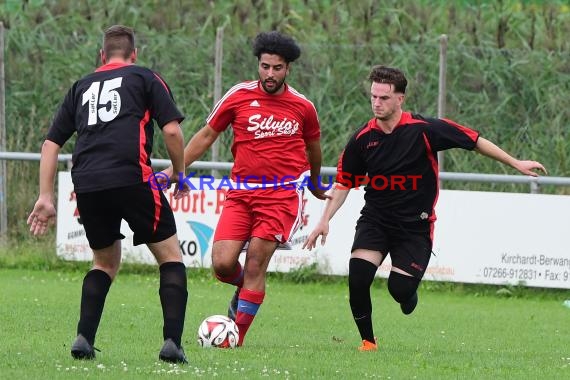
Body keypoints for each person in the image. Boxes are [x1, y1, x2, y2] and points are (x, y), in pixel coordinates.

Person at [303, 65, 547, 351]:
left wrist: (516, 163)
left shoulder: (424, 130)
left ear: (400, 99)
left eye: (383, 97)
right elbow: (343, 184)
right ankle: (368, 342)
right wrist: (324, 220)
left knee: (400, 290)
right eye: (373, 97)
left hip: (414, 226)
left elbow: (474, 141)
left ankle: (408, 294)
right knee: (358, 277)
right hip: (376, 220)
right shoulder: (362, 140)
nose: (376, 103)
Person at [27, 25, 190, 363]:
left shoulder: (80, 86)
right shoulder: (145, 77)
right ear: (134, 54)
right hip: (132, 176)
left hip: (88, 183)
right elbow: (172, 130)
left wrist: (45, 196)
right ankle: (172, 343)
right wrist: (180, 171)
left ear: (102, 56)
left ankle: (84, 339)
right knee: (171, 258)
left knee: (104, 262)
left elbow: (50, 144)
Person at [163, 31, 327, 347]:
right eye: (265, 66)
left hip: (281, 195)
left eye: (277, 68)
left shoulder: (302, 106)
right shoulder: (238, 96)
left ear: (287, 69)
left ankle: (235, 339)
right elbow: (207, 135)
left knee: (254, 263)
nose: (269, 74)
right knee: (223, 264)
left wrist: (317, 181)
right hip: (241, 192)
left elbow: (314, 147)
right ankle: (247, 288)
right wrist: (174, 170)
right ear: (258, 64)